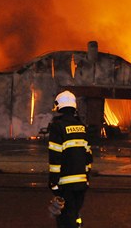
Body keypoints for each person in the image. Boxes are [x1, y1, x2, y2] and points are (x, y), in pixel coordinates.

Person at [48, 90, 93, 228]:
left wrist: (53, 183)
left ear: (59, 106)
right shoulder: (82, 127)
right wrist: (86, 179)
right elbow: (88, 156)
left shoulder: (57, 127)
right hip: (81, 183)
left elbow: (55, 157)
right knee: (75, 214)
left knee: (65, 219)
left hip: (64, 184)